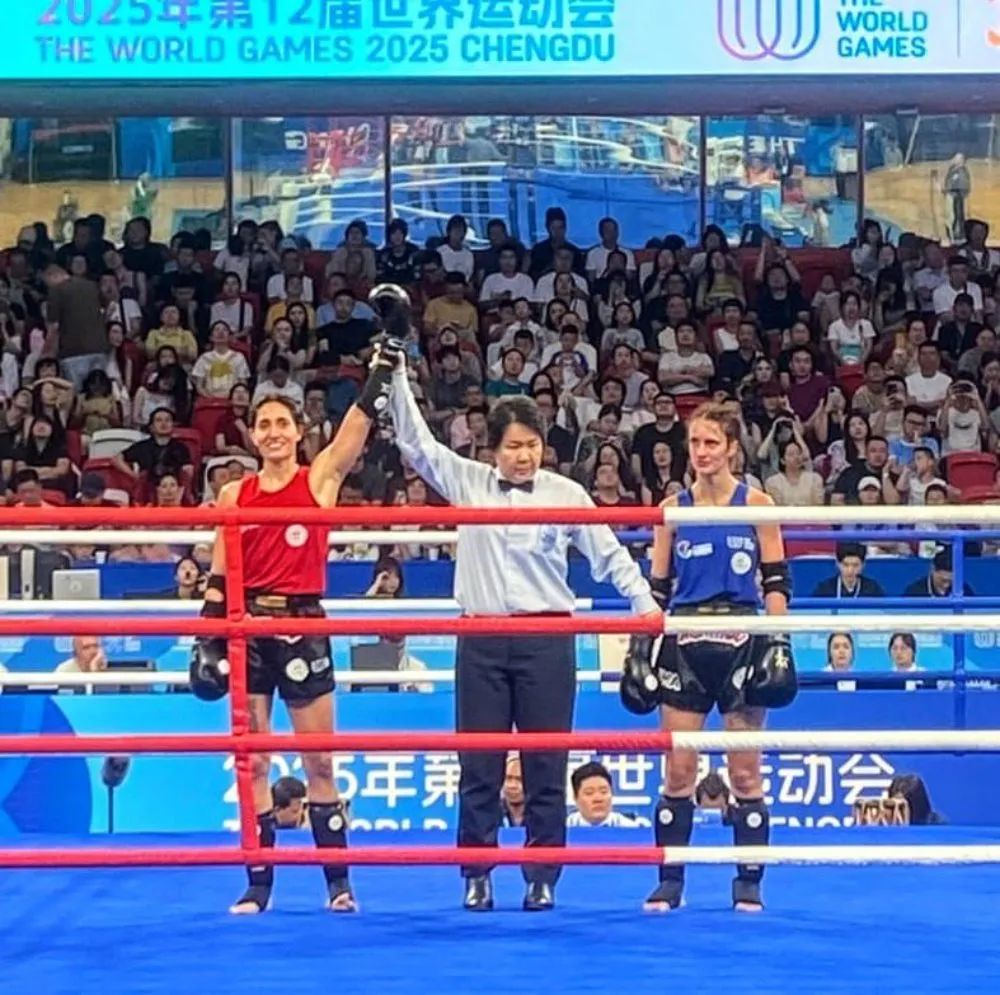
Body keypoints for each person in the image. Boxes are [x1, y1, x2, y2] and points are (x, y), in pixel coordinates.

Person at [383, 285, 657, 913]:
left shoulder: (566, 493)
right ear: (493, 448)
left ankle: (542, 876)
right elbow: (415, 442)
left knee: (545, 766)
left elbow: (609, 554)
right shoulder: (469, 480)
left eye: (531, 445)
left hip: (548, 639)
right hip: (480, 636)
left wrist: (645, 607)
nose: (523, 455)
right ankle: (476, 873)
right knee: (479, 766)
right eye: (513, 446)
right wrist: (395, 368)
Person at [187, 333, 399, 916]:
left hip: (304, 626)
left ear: (298, 430)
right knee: (254, 761)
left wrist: (382, 369)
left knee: (319, 761)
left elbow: (356, 428)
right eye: (265, 424)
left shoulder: (320, 479)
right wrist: (207, 641)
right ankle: (258, 886)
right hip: (248, 629)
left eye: (283, 422)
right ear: (253, 435)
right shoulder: (234, 493)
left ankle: (338, 884)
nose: (275, 432)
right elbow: (219, 575)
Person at [620, 401, 796, 912]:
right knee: (678, 772)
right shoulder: (671, 508)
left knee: (744, 774)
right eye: (694, 442)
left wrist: (779, 643)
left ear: (732, 448)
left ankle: (749, 884)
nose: (701, 452)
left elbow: (776, 582)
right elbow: (656, 587)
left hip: (743, 637)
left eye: (711, 442)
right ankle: (670, 882)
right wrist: (639, 647)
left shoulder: (758, 505)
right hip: (685, 638)